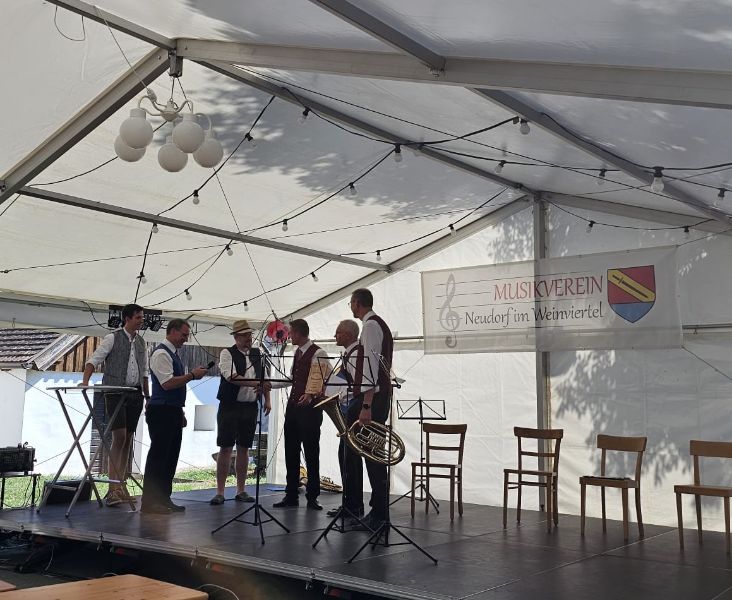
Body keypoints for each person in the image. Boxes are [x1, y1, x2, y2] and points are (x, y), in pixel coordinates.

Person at [81, 303, 149, 507]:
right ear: (127, 318)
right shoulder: (112, 338)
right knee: (119, 438)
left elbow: (144, 371)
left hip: (135, 393)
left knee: (128, 439)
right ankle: (112, 489)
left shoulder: (141, 342)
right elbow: (94, 360)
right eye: (138, 317)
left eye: (142, 317)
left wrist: (147, 396)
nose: (141, 321)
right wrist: (85, 381)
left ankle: (120, 485)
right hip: (115, 393)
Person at [141, 319, 207, 514]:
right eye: (184, 335)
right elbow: (167, 383)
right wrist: (192, 375)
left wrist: (180, 411)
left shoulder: (172, 354)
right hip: (161, 410)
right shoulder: (161, 353)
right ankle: (150, 502)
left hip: (172, 409)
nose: (185, 339)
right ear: (172, 331)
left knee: (170, 457)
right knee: (159, 457)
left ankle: (163, 498)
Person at [210, 319, 271, 505]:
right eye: (244, 336)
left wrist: (267, 399)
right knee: (226, 447)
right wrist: (258, 383)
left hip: (250, 406)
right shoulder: (227, 353)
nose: (248, 339)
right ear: (236, 337)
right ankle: (220, 491)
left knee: (244, 447)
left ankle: (241, 490)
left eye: (249, 335)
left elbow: (265, 379)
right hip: (230, 406)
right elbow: (232, 377)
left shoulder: (257, 354)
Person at [349, 288, 394, 529]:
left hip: (374, 399)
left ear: (357, 303)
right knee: (372, 456)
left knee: (373, 457)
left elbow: (370, 368)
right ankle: (377, 512)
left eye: (351, 303)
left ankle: (379, 515)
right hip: (376, 397)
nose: (351, 307)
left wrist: (365, 405)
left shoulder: (370, 326)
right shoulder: (376, 324)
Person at [273, 318, 328, 511]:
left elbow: (323, 379)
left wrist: (311, 395)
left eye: (290, 333)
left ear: (297, 333)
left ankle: (313, 496)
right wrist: (270, 384)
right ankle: (291, 494)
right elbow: (293, 379)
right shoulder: (297, 352)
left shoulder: (319, 353)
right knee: (291, 451)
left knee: (311, 452)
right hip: (294, 408)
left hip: (310, 411)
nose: (289, 337)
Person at [325, 319, 368, 520]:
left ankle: (353, 505)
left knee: (350, 458)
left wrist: (336, 393)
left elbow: (357, 385)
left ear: (349, 334)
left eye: (338, 332)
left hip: (353, 408)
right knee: (346, 457)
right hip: (349, 407)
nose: (335, 336)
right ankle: (350, 504)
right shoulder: (350, 353)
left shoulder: (357, 354)